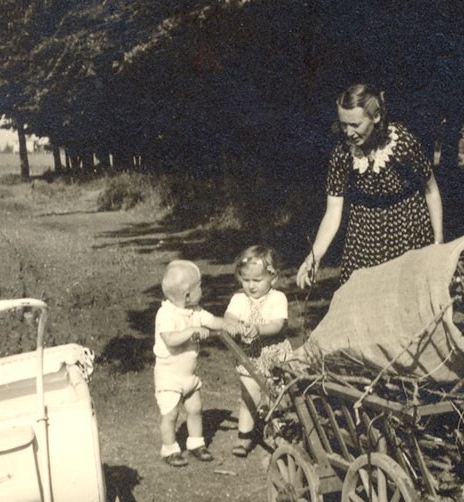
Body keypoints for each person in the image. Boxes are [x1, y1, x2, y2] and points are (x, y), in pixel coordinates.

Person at [296, 83, 444, 288]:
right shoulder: (342, 154)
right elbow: (333, 211)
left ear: (376, 117)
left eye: (355, 125)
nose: (348, 132)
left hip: (407, 231)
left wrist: (437, 243)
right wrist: (314, 256)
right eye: (343, 124)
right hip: (363, 237)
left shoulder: (402, 143)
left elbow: (431, 191)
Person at [154, 258, 234, 467]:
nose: (203, 291)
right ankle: (169, 448)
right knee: (170, 414)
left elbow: (212, 321)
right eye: (200, 287)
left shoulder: (195, 310)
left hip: (188, 376)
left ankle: (196, 443)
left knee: (195, 408)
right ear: (187, 294)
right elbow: (170, 339)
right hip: (169, 376)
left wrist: (229, 325)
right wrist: (192, 332)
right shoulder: (166, 314)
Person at [224, 245, 291, 457]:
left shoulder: (277, 298)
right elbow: (229, 317)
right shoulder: (239, 299)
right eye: (246, 280)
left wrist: (258, 329)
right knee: (249, 394)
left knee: (278, 394)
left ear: (272, 278)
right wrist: (233, 325)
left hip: (275, 354)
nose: (251, 286)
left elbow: (278, 325)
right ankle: (245, 436)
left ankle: (282, 432)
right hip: (250, 356)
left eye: (257, 280)